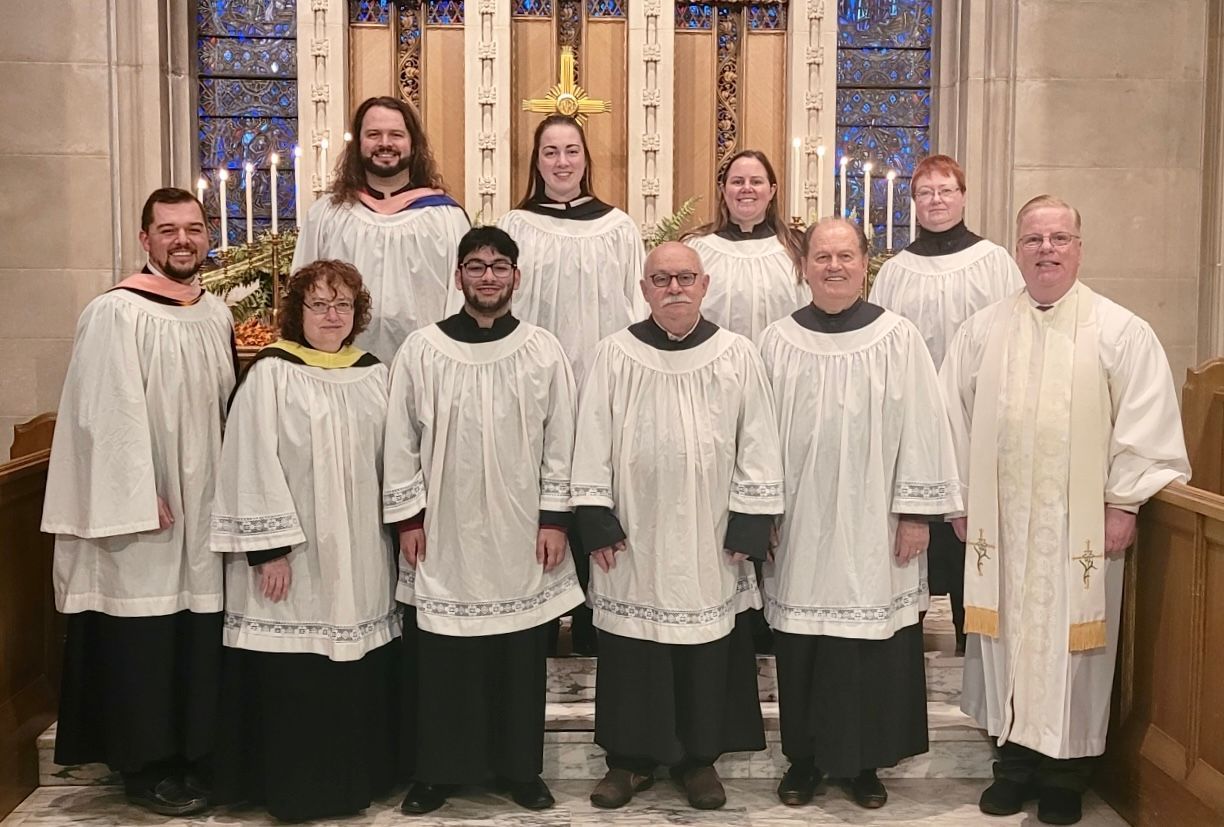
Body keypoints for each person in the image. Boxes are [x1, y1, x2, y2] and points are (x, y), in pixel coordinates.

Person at [941, 195, 1191, 825]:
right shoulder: (982, 331)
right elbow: (951, 418)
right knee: (1005, 641)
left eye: (1058, 238)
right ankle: (1013, 763)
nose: (1046, 249)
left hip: (1079, 533)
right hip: (1001, 530)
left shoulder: (1119, 330)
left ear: (1079, 247)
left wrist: (1122, 502)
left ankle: (1065, 775)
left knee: (1072, 651)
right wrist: (961, 503)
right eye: (1033, 239)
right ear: (1016, 250)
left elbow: (1145, 423)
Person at [41, 188, 236, 817]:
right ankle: (144, 765)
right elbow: (100, 414)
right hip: (146, 509)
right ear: (145, 240)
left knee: (194, 629)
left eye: (194, 229)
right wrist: (135, 491)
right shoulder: (115, 312)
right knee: (145, 634)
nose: (184, 240)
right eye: (168, 230)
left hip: (204, 503)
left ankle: (190, 755)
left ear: (208, 236)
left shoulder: (215, 313)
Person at [570, 242, 784, 811]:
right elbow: (589, 437)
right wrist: (593, 514)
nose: (674, 288)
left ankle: (698, 760)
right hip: (633, 531)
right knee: (632, 646)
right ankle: (630, 761)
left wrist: (748, 522)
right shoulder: (613, 354)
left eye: (684, 277)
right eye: (661, 278)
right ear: (644, 289)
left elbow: (758, 440)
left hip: (709, 532)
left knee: (706, 642)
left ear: (705, 284)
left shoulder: (736, 354)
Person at [760, 218, 962, 810]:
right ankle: (804, 759)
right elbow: (757, 437)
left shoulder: (898, 338)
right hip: (800, 521)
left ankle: (863, 763)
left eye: (845, 256)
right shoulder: (776, 341)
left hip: (876, 519)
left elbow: (925, 426)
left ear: (864, 263)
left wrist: (916, 513)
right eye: (822, 256)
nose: (833, 266)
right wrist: (763, 513)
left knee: (869, 642)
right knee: (803, 641)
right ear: (805, 267)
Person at [383, 226, 584, 816]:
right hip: (444, 528)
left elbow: (561, 441)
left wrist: (555, 519)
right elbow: (401, 442)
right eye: (476, 266)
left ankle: (521, 770)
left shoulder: (542, 350)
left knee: (519, 656)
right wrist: (408, 519)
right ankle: (437, 772)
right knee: (444, 658)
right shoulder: (422, 350)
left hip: (522, 527)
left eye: (500, 266)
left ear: (516, 278)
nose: (488, 276)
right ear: (459, 276)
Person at [209, 260, 401, 821]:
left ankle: (353, 781)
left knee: (351, 667)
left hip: (360, 551)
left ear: (357, 313)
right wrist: (268, 548)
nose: (332, 315)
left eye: (342, 305)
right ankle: (295, 789)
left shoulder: (373, 373)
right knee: (296, 672)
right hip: (295, 554)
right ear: (297, 311)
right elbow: (248, 458)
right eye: (319, 304)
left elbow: (392, 458)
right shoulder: (271, 372)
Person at [497, 114, 645, 655]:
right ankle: (536, 618)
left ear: (587, 159)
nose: (562, 162)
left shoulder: (618, 227)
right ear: (536, 162)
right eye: (551, 152)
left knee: (599, 490)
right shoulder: (515, 226)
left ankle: (593, 621)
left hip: (603, 382)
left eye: (572, 151)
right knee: (536, 491)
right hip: (531, 384)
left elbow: (635, 308)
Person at [868, 154, 1022, 656]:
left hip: (974, 413)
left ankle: (969, 630)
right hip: (911, 415)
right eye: (926, 192)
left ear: (963, 196)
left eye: (945, 191)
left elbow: (1011, 333)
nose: (936, 201)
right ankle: (906, 626)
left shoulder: (993, 261)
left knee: (966, 519)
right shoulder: (895, 270)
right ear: (914, 202)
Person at [292, 95, 470, 364]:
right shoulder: (327, 214)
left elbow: (461, 296)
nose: (385, 143)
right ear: (358, 143)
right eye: (374, 134)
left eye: (396, 134)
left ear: (413, 143)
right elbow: (301, 293)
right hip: (341, 369)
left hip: (426, 366)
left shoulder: (446, 217)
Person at [683, 149, 807, 341]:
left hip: (781, 365)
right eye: (737, 181)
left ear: (772, 190)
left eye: (756, 182)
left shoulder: (796, 248)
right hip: (716, 366)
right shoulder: (695, 249)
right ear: (723, 190)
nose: (746, 188)